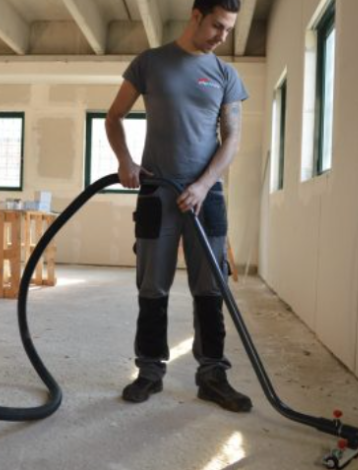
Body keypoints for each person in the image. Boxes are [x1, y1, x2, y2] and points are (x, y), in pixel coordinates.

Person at [105, 0, 252, 412]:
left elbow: (232, 139)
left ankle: (212, 375)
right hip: (156, 194)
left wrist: (205, 184)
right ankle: (150, 371)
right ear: (196, 16)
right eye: (218, 26)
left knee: (211, 286)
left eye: (229, 30)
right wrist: (125, 161)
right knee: (152, 287)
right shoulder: (150, 63)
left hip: (207, 198)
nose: (223, 37)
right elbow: (114, 116)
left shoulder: (225, 74)